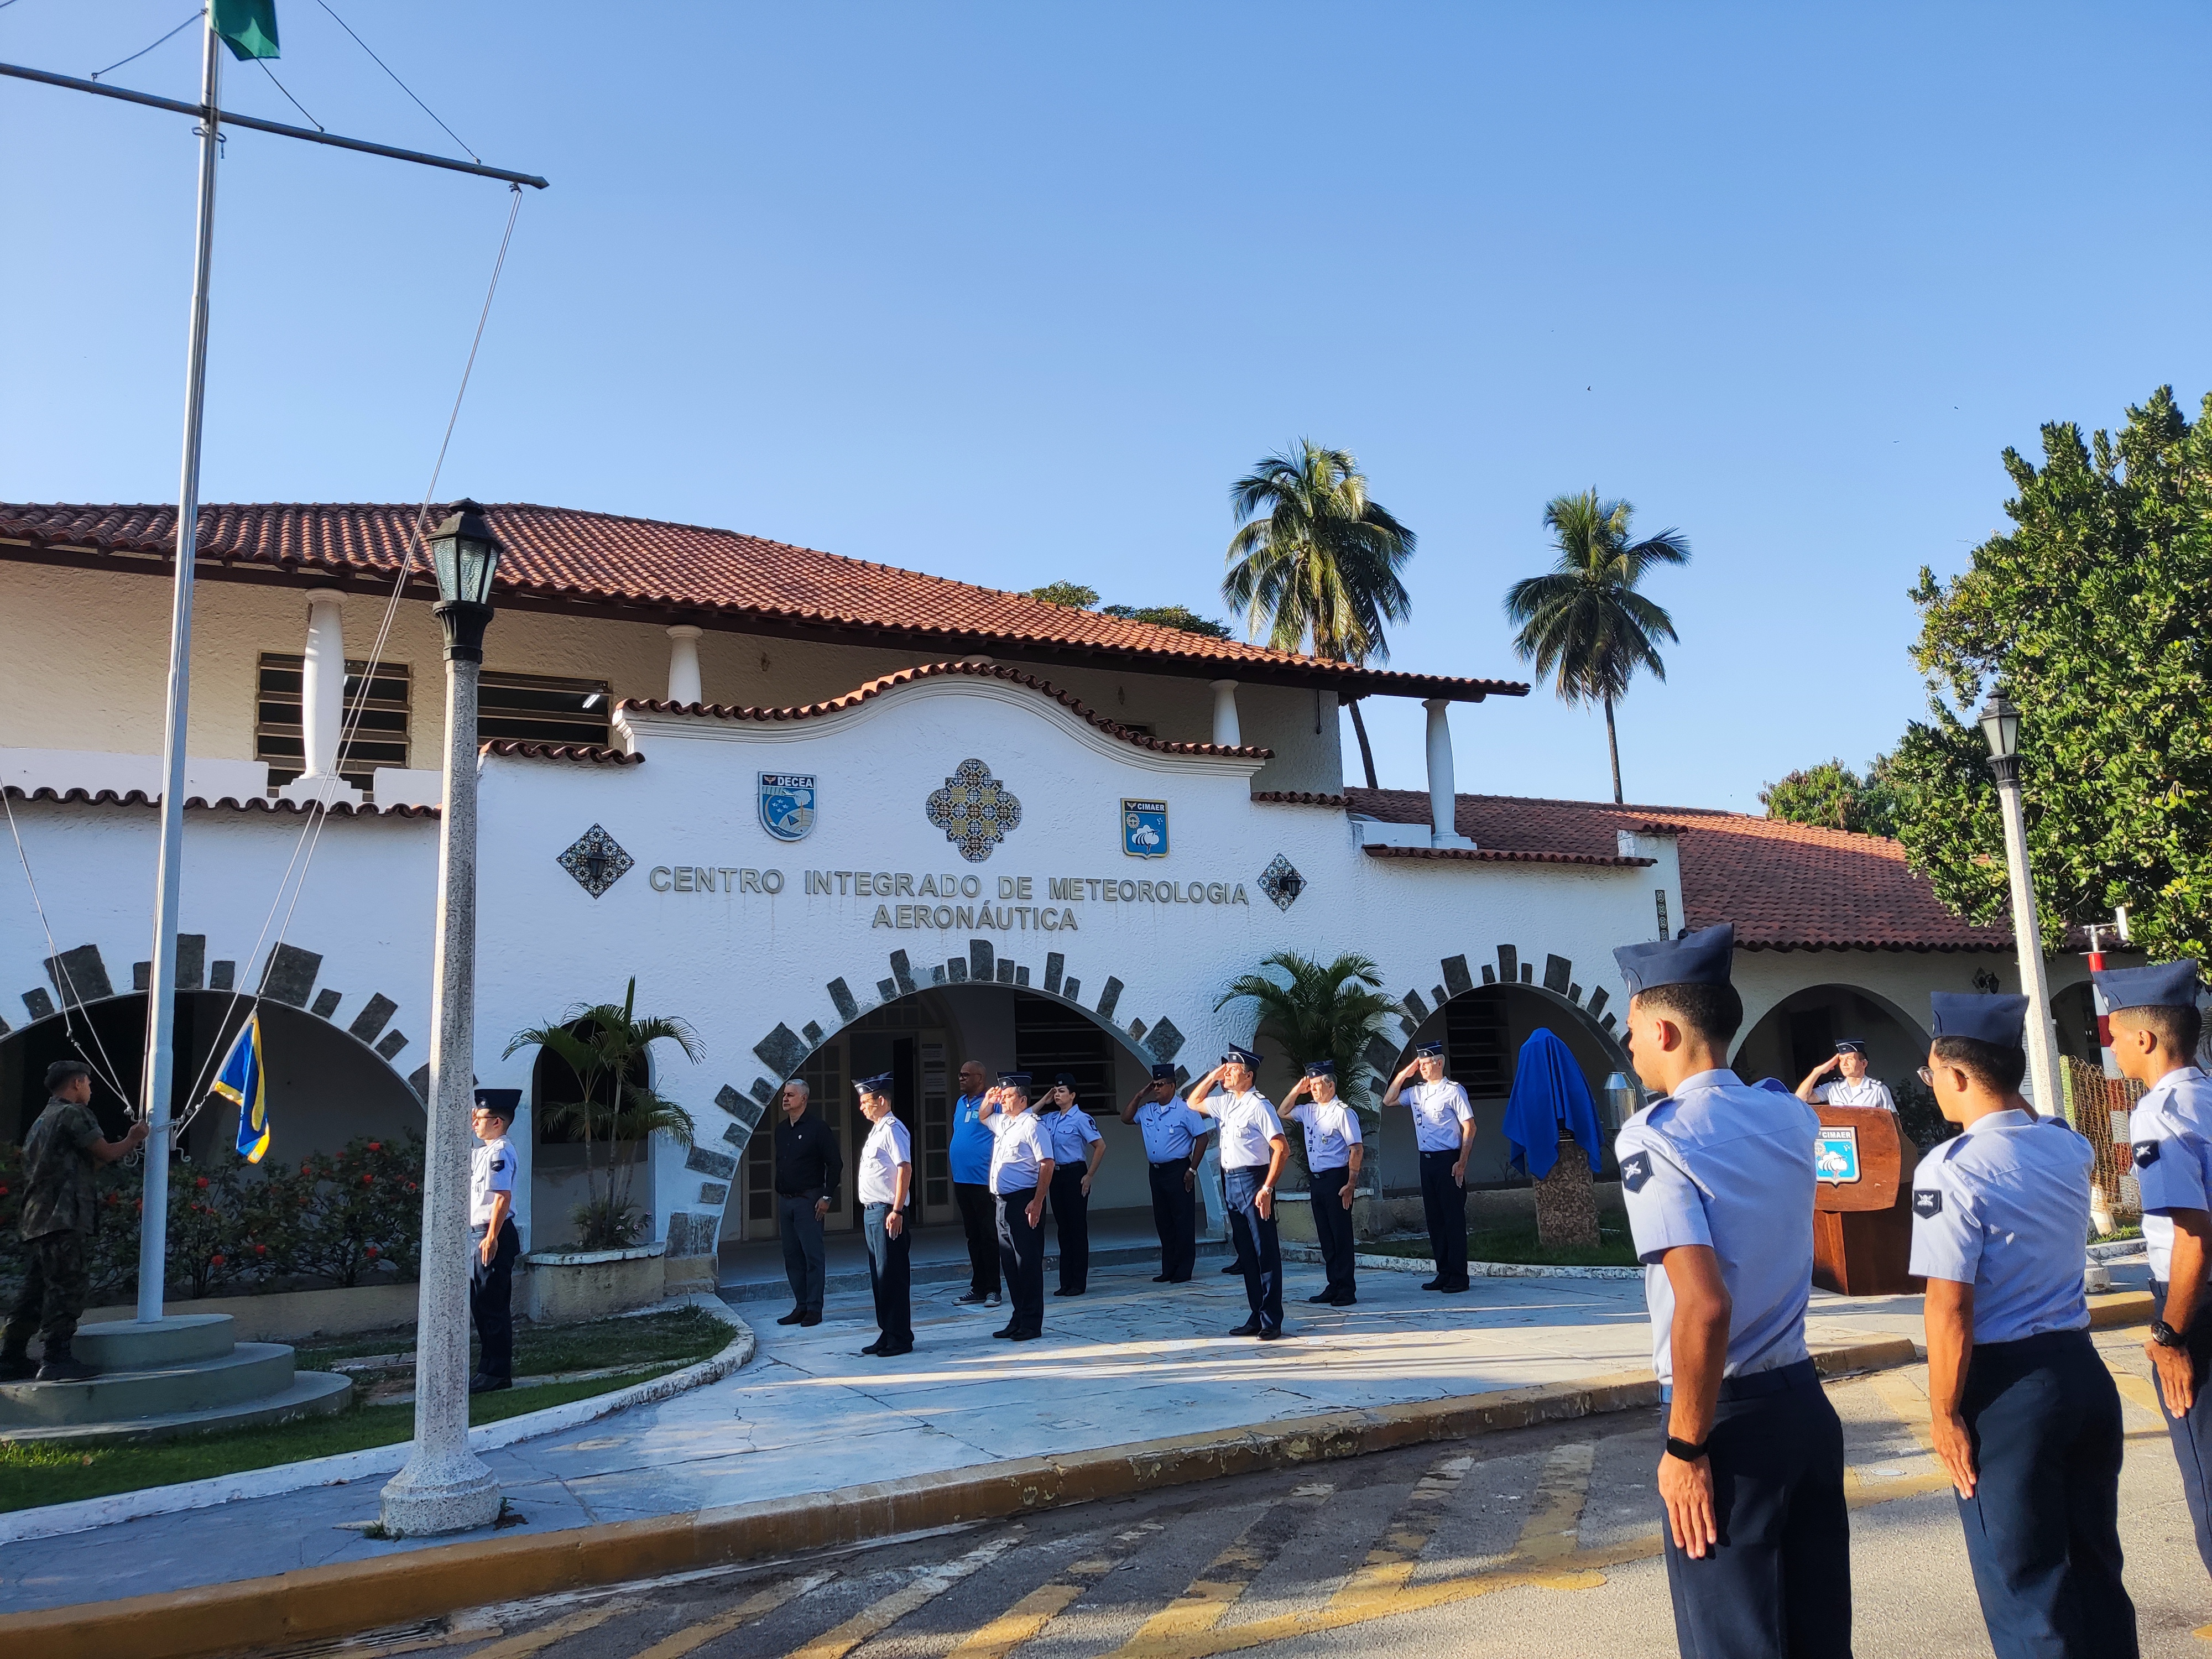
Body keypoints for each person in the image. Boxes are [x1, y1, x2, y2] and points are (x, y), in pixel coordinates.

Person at [1611, 922, 1849, 1659]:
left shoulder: (1654, 1137)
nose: (1628, 1048)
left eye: (1632, 1033)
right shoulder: (1787, 1112)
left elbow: (1703, 1304)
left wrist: (1686, 1447)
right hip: (1804, 1404)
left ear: (1666, 1028)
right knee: (1818, 1640)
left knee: (1733, 1642)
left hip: (1727, 1419)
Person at [1910, 992, 2135, 1657]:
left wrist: (1944, 1412)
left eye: (1930, 1075)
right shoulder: (2066, 1149)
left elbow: (1948, 1306)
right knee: (2095, 1571)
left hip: (2006, 1390)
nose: (1933, 1088)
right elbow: (2032, 1119)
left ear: (1953, 1076)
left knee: (2027, 1590)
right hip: (2080, 1370)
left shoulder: (1951, 1171)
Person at [2094, 958, 2212, 1578]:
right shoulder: (2207, 1096)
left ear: (2143, 1039)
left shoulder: (2158, 1113)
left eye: (2113, 1033)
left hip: (2196, 1302)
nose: (2108, 1044)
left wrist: (2168, 1335)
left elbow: (2193, 1234)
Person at [1, 1060, 149, 1381]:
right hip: (63, 1217)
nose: (91, 1089)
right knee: (66, 1287)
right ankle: (56, 1358)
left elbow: (69, 1164)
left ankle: (10, 1357)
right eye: (89, 1083)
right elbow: (107, 1153)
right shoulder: (73, 1113)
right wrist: (135, 1137)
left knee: (34, 1290)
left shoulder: (42, 1120)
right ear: (78, 1084)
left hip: (36, 1218)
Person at [1187, 1046, 1288, 1340]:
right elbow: (1194, 1102)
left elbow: (1282, 1149)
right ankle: (1256, 1314)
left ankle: (1272, 1320)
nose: (1227, 1074)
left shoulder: (1261, 1106)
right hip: (1231, 1181)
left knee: (1264, 1252)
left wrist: (1268, 1188)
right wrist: (1213, 1076)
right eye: (1227, 1069)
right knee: (1246, 1254)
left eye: (1232, 1070)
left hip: (1255, 1181)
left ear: (1248, 1075)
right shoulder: (1226, 1103)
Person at [1382, 1041, 1475, 1293]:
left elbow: (1470, 1126)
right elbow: (1389, 1100)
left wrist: (1462, 1162)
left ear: (1439, 1063)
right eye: (1420, 1064)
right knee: (1435, 1220)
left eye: (1426, 1063)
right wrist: (1404, 1073)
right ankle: (1443, 1272)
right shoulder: (1417, 1092)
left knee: (1453, 1218)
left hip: (1449, 1160)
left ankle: (1459, 1276)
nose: (1422, 1068)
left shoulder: (1454, 1091)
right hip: (1427, 1160)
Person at [978, 1072, 1054, 1340]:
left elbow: (1047, 1163)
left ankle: (1032, 1323)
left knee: (1028, 1264)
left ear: (1022, 1099)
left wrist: (1037, 1201)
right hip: (1002, 1203)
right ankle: (1018, 1316)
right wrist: (989, 1099)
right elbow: (983, 1116)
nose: (1004, 1100)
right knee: (1010, 1264)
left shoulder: (1032, 1125)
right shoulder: (1005, 1123)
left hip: (1024, 1201)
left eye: (1008, 1096)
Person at [1282, 1061, 1363, 1306]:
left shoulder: (1342, 1112)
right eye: (1312, 1085)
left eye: (1318, 1084)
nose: (1314, 1089)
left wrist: (1351, 1184)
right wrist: (1298, 1088)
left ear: (1330, 1084)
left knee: (1340, 1236)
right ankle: (1333, 1284)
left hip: (1337, 1180)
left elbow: (1356, 1149)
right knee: (1326, 1236)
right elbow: (1283, 1111)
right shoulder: (1309, 1111)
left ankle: (1347, 1289)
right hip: (1317, 1181)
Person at [1123, 1063, 1211, 1282]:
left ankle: (1184, 1269)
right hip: (1157, 1172)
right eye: (1155, 1085)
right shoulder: (1148, 1110)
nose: (1157, 1089)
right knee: (1163, 1221)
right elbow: (1126, 1118)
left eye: (1161, 1085)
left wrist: (1193, 1169)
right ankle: (1168, 1268)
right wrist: (1139, 1095)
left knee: (1182, 1220)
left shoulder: (1185, 1109)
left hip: (1179, 1170)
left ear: (1173, 1086)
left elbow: (1202, 1138)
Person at [771, 1078, 841, 1328]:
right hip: (786, 1201)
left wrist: (827, 1196)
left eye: (791, 1095)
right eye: (784, 1095)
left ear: (804, 1099)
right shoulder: (781, 1130)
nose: (786, 1099)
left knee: (813, 1256)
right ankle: (800, 1306)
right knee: (792, 1256)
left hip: (809, 1201)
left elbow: (835, 1164)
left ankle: (814, 1308)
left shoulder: (817, 1129)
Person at [854, 1073, 915, 1358]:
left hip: (887, 1211)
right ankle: (887, 1331)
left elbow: (905, 1168)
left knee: (893, 1275)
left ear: (881, 1100)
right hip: (872, 1212)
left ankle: (900, 1336)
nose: (862, 1108)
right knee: (880, 1277)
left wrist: (897, 1210)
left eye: (866, 1102)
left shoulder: (893, 1129)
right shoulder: (877, 1129)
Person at [467, 1091, 522, 1394]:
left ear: (498, 1122)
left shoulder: (500, 1152)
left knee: (492, 1304)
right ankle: (487, 1368)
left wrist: (491, 1237)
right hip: (484, 1231)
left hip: (494, 1232)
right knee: (481, 1303)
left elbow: (502, 1197)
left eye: (480, 1117)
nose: (475, 1122)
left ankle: (497, 1372)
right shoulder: (486, 1151)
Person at [1042, 1072, 1104, 1297]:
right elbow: (1028, 1116)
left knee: (1077, 1229)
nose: (1058, 1095)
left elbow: (1100, 1146)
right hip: (1056, 1176)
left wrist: (1089, 1175)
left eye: (1062, 1092)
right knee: (1063, 1230)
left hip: (1075, 1173)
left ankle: (1078, 1282)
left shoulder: (1081, 1119)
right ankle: (1065, 1281)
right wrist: (1044, 1100)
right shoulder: (1050, 1118)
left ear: (1073, 1095)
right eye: (1055, 1091)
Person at [948, 1060, 1001, 1310]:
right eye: (960, 1074)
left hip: (984, 1181)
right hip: (962, 1179)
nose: (961, 1078)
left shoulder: (994, 1102)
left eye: (966, 1075)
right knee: (973, 1236)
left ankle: (993, 1289)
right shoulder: (961, 1104)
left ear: (980, 1078)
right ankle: (978, 1286)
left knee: (989, 1236)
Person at [1793, 1040, 1897, 1111]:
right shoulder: (1833, 1088)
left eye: (1849, 1059)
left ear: (1864, 1064)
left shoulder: (1878, 1090)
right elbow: (1801, 1098)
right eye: (1841, 1060)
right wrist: (1818, 1071)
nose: (1844, 1064)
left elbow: (1893, 1122)